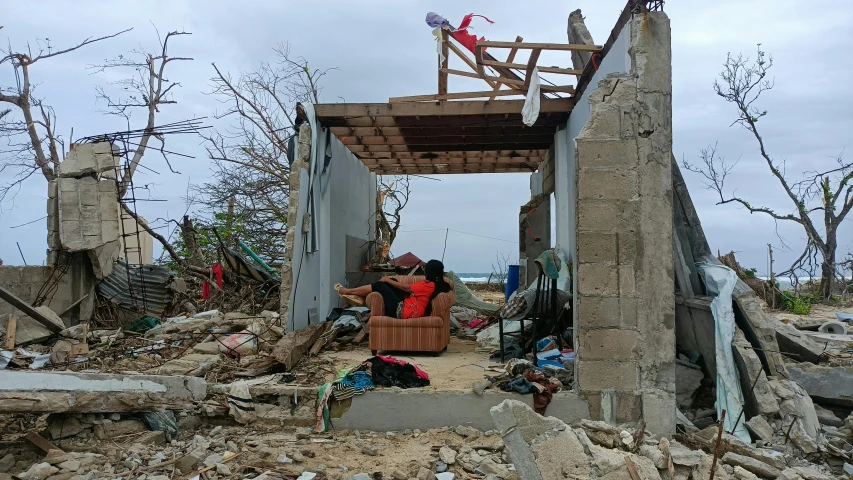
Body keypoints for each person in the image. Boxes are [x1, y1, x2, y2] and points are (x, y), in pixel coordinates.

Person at [335, 259, 452, 319]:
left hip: (401, 311)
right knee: (393, 282)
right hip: (406, 306)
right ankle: (359, 297)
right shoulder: (439, 284)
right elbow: (450, 285)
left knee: (380, 285)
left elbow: (406, 288)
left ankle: (348, 291)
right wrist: (391, 281)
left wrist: (386, 279)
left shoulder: (429, 285)